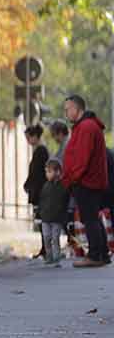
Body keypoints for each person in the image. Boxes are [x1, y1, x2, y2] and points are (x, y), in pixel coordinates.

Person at [60, 95, 111, 267]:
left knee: (90, 219)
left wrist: (72, 179)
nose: (66, 113)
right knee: (93, 218)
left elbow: (82, 159)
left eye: (68, 109)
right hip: (88, 181)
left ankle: (96, 255)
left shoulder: (86, 127)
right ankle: (102, 254)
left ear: (77, 108)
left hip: (86, 182)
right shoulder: (85, 126)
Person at [23, 124, 49, 258]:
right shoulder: (38, 151)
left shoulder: (41, 151)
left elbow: (38, 174)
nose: (27, 141)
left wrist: (30, 185)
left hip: (40, 193)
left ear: (34, 137)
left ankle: (47, 248)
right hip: (37, 192)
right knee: (41, 222)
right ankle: (45, 248)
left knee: (43, 222)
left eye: (28, 138)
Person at [38, 159, 69, 266]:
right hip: (45, 218)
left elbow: (65, 202)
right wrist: (39, 214)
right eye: (46, 171)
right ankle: (49, 256)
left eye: (49, 171)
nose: (47, 174)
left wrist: (66, 216)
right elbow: (42, 200)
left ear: (58, 172)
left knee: (55, 238)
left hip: (57, 219)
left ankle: (56, 258)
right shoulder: (45, 186)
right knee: (46, 237)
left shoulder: (64, 186)